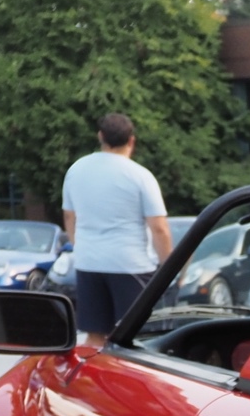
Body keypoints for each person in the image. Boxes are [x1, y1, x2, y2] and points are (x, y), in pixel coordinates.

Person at [60, 113, 172, 347]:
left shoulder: (77, 169)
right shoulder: (140, 176)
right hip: (130, 264)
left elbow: (70, 216)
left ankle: (93, 381)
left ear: (100, 136)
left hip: (89, 262)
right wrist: (168, 268)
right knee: (138, 338)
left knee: (94, 336)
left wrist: (80, 248)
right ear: (132, 140)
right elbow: (159, 228)